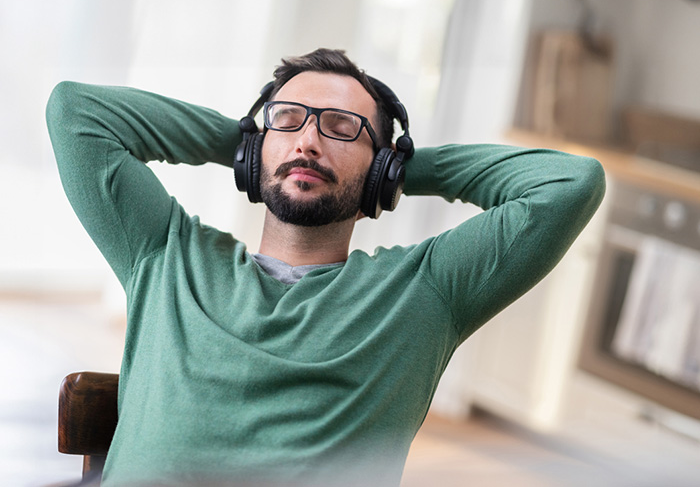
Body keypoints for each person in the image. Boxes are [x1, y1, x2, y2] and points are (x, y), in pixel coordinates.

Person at [46, 48, 605, 487]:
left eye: (341, 128)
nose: (308, 142)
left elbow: (568, 185)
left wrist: (398, 170)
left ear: (384, 168)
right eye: (287, 120)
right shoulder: (166, 254)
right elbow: (76, 111)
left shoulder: (425, 292)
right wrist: (249, 145)